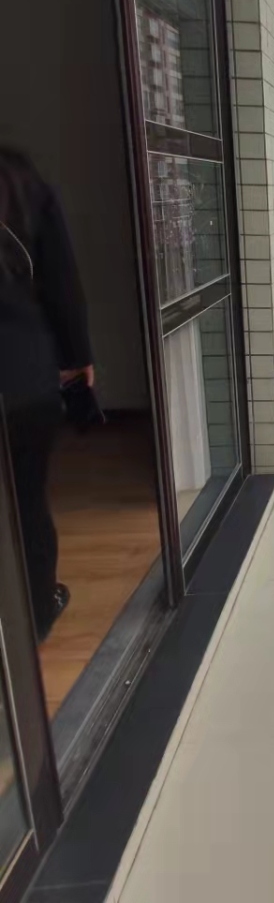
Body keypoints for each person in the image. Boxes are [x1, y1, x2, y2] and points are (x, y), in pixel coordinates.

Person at [0, 147, 93, 641]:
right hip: (23, 377)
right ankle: (36, 611)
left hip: (22, 376)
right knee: (28, 500)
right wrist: (77, 357)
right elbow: (61, 282)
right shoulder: (23, 183)